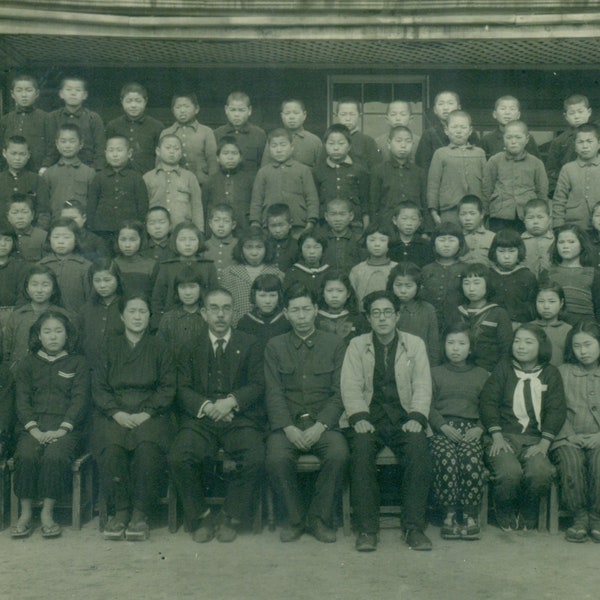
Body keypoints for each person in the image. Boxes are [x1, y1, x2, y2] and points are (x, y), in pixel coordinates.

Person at [169, 288, 265, 543]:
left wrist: (231, 402)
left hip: (238, 418)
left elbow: (257, 383)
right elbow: (182, 387)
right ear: (204, 312)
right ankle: (201, 516)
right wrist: (208, 406)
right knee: (179, 456)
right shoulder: (189, 346)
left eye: (226, 308)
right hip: (202, 419)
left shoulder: (250, 343)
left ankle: (231, 516)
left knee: (256, 456)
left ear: (233, 312)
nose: (220, 315)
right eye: (214, 308)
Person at [341, 290, 432, 552]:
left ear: (397, 316)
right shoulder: (357, 345)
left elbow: (423, 384)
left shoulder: (414, 344)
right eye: (376, 314)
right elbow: (350, 385)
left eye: (388, 312)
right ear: (368, 318)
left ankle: (413, 528)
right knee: (360, 450)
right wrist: (358, 417)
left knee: (418, 448)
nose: (382, 319)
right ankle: (367, 529)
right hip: (369, 417)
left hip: (404, 416)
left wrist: (416, 416)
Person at [265, 283, 348, 543]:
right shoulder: (275, 346)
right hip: (287, 424)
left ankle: (319, 519)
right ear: (286, 314)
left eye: (306, 309)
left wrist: (321, 425)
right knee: (276, 458)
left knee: (339, 453)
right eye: (295, 311)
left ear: (316, 311)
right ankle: (295, 519)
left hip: (323, 424)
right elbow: (273, 392)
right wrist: (287, 428)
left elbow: (339, 393)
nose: (301, 316)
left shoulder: (335, 344)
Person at [91, 295, 176, 542]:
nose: (137, 317)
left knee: (148, 449)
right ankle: (121, 512)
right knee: (111, 447)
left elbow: (167, 387)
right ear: (122, 316)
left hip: (150, 413)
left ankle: (140, 513)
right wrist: (116, 412)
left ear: (150, 316)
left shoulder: (161, 347)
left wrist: (146, 412)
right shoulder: (108, 346)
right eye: (132, 311)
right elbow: (99, 386)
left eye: (143, 312)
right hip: (114, 412)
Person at [480, 324, 566, 531]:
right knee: (509, 472)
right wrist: (497, 436)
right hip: (504, 436)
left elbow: (556, 409)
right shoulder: (504, 369)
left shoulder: (551, 373)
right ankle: (505, 509)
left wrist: (544, 444)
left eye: (528, 342)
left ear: (541, 346)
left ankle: (528, 510)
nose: (521, 346)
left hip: (535, 440)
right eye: (517, 341)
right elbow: (488, 402)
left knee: (540, 472)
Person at [11, 311, 87, 539]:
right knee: (25, 456)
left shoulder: (78, 362)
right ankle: (25, 515)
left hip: (65, 429)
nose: (53, 337)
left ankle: (47, 513)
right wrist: (33, 430)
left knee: (54, 457)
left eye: (58, 331)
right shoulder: (28, 363)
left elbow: (79, 400)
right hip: (32, 428)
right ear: (38, 335)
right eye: (47, 331)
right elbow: (22, 400)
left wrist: (62, 429)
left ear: (67, 335)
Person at [429, 322, 489, 540]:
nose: (455, 348)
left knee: (470, 458)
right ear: (444, 346)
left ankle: (470, 515)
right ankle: (450, 514)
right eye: (451, 343)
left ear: (470, 348)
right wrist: (442, 426)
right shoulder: (434, 373)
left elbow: (489, 407)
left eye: (462, 343)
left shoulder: (482, 375)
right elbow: (427, 404)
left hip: (471, 429)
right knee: (446, 457)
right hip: (442, 428)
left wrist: (480, 428)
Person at [552, 321, 600, 542]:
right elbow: (553, 408)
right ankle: (579, 518)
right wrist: (569, 434)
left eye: (588, 345)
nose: (583, 351)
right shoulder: (563, 373)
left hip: (598, 439)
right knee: (571, 461)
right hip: (568, 438)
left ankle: (597, 517)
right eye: (578, 346)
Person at [249, 128, 319, 237]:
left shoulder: (303, 170)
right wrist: (255, 222)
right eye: (274, 146)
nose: (279, 150)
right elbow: (256, 200)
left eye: (283, 145)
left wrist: (311, 221)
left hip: (298, 224)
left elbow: (311, 197)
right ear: (269, 150)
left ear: (291, 147)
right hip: (270, 226)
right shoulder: (263, 172)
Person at [483, 120, 549, 233]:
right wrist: (486, 214)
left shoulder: (536, 163)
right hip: (500, 215)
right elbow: (487, 189)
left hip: (527, 216)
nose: (513, 141)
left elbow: (542, 191)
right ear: (504, 138)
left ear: (527, 139)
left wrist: (541, 214)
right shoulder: (495, 161)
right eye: (509, 137)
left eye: (518, 137)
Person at [3, 265, 72, 369]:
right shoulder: (17, 315)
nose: (39, 290)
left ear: (54, 289)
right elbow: (7, 349)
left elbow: (70, 347)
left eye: (45, 285)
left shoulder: (63, 315)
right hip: (19, 373)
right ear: (27, 289)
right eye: (34, 285)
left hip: (52, 373)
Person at [151, 222, 217, 328]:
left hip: (202, 322)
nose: (187, 244)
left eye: (192, 239)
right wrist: (160, 324)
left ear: (199, 241)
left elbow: (214, 295)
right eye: (182, 239)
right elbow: (157, 299)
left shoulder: (208, 266)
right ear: (174, 242)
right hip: (172, 324)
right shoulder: (167, 267)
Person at [427, 110, 486, 226]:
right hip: (449, 209)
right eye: (454, 127)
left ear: (470, 131)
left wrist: (485, 210)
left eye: (463, 127)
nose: (458, 131)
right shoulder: (440, 153)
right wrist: (433, 212)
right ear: (446, 130)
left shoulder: (479, 153)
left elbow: (486, 184)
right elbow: (433, 185)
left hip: (475, 211)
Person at [87, 136, 149, 242]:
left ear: (129, 153)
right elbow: (92, 204)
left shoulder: (136, 177)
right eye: (111, 150)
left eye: (119, 150)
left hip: (128, 231)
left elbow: (142, 206)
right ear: (105, 153)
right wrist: (92, 227)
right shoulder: (99, 177)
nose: (115, 155)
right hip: (102, 230)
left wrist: (139, 227)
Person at [221, 226, 283, 325]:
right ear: (241, 249)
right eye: (249, 247)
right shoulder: (229, 273)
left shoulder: (277, 274)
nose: (254, 253)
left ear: (266, 249)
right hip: (237, 327)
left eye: (259, 247)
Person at [457, 263, 513, 372]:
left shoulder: (498, 313)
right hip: (460, 371)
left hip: (490, 371)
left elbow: (506, 349)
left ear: (487, 284)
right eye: (466, 283)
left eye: (477, 283)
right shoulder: (457, 312)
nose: (471, 288)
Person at [312, 123, 370, 229]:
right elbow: (314, 201)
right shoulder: (317, 171)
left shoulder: (359, 170)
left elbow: (365, 201)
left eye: (341, 143)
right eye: (331, 143)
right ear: (325, 145)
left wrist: (366, 225)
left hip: (354, 224)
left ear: (349, 146)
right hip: (325, 225)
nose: (336, 148)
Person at [369, 125, 428, 228]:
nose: (403, 145)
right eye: (398, 141)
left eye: (408, 141)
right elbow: (374, 204)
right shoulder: (378, 171)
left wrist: (426, 230)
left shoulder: (419, 172)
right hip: (386, 225)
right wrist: (375, 228)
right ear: (389, 144)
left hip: (413, 227)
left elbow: (424, 203)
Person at [43, 75, 105, 171]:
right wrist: (46, 166)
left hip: (88, 169)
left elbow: (99, 148)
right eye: (69, 89)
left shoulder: (93, 118)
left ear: (85, 95)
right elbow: (51, 147)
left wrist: (97, 170)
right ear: (61, 94)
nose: (73, 93)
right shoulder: (53, 117)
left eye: (78, 90)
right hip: (59, 168)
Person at [143, 134, 204, 231]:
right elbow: (143, 207)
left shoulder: (189, 177)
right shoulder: (148, 177)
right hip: (156, 231)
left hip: (183, 232)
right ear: (158, 151)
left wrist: (199, 231)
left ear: (181, 153)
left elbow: (196, 206)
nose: (172, 152)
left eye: (176, 149)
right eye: (168, 148)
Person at [541, 224, 600, 324]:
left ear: (582, 245)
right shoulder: (548, 273)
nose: (565, 246)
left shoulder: (593, 274)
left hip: (586, 328)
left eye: (571, 242)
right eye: (561, 242)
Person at [387, 262, 441, 367]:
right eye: (398, 285)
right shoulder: (386, 307)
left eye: (408, 286)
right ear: (391, 285)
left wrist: (433, 370)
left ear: (419, 287)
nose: (403, 290)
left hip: (420, 365)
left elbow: (434, 346)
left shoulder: (427, 309)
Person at [105, 82, 164, 175]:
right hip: (119, 177)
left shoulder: (157, 126)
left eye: (138, 101)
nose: (133, 105)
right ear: (121, 101)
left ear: (146, 101)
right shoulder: (113, 126)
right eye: (129, 101)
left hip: (147, 177)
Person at [160, 92, 217, 186]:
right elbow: (160, 162)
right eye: (178, 107)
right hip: (174, 184)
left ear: (196, 109)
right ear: (173, 110)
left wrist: (212, 184)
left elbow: (213, 161)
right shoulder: (166, 133)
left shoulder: (206, 132)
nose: (182, 110)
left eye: (186, 106)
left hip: (201, 183)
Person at [415, 90, 478, 174]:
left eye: (450, 103)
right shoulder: (429, 134)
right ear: (435, 110)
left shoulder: (470, 133)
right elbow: (423, 165)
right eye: (441, 104)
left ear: (459, 107)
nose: (445, 108)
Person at [78, 258, 124, 372]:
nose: (102, 285)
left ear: (117, 279)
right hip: (91, 369)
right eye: (97, 280)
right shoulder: (86, 309)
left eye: (107, 280)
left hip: (121, 369)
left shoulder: (127, 306)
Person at [552, 123, 600, 231]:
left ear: (599, 144)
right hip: (574, 227)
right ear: (575, 145)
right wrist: (558, 226)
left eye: (589, 141)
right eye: (580, 142)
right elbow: (559, 199)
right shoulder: (568, 169)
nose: (585, 146)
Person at [37, 217, 91, 313]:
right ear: (49, 238)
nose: (60, 241)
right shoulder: (41, 265)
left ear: (76, 239)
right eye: (56, 237)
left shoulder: (85, 267)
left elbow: (90, 300)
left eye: (66, 237)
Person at [420, 222, 466, 334]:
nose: (446, 244)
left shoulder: (466, 269)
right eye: (441, 240)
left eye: (451, 240)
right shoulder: (426, 270)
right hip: (429, 324)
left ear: (460, 244)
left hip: (459, 324)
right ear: (434, 244)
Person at [42, 123, 95, 218]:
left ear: (81, 144)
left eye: (72, 141)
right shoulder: (49, 173)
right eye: (63, 141)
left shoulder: (89, 173)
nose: (67, 145)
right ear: (57, 144)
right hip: (56, 223)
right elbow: (44, 205)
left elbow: (92, 203)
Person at [0, 74, 50, 173]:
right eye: (19, 90)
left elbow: (52, 146)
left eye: (28, 90)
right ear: (12, 94)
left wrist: (45, 166)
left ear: (37, 93)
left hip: (37, 172)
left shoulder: (46, 118)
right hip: (10, 173)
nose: (24, 95)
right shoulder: (5, 120)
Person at [488, 229, 538, 326]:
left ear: (519, 252)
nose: (506, 256)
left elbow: (532, 306)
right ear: (494, 252)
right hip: (491, 326)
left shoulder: (527, 276)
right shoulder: (489, 275)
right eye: (501, 251)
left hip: (519, 326)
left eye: (512, 251)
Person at [204, 136, 254, 230]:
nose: (230, 157)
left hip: (242, 228)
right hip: (216, 230)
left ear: (240, 158)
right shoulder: (210, 181)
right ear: (218, 158)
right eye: (225, 153)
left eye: (234, 153)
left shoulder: (249, 180)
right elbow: (204, 209)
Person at [156, 267, 207, 360]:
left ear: (200, 288)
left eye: (192, 287)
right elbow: (160, 352)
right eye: (182, 287)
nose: (187, 292)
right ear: (176, 290)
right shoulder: (168, 319)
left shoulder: (208, 317)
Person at [546, 94, 593, 194]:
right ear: (565, 116)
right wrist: (555, 191)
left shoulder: (598, 136)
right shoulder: (559, 141)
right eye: (572, 113)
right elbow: (552, 169)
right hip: (569, 189)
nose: (577, 116)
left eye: (580, 112)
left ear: (589, 112)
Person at [0, 135, 50, 228]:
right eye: (13, 153)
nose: (17, 158)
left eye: (22, 154)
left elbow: (44, 213)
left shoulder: (37, 180)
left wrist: (35, 237)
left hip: (30, 237)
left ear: (28, 155)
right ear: (4, 153)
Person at [213, 91, 267, 174]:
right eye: (233, 110)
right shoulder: (217, 134)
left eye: (241, 110)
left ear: (249, 110)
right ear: (226, 110)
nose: (237, 114)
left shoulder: (259, 134)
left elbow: (263, 165)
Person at [349, 221, 397, 312]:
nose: (377, 244)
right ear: (365, 241)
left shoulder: (396, 268)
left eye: (382, 240)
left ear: (390, 242)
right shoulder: (357, 270)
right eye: (372, 240)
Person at [236, 273, 291, 350]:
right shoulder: (245, 322)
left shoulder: (286, 321)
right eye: (262, 295)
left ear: (279, 296)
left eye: (272, 295)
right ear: (254, 296)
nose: (267, 301)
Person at [262, 99, 323, 168]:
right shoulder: (274, 139)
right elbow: (265, 168)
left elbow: (321, 172)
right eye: (287, 113)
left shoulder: (314, 141)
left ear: (304, 115)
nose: (291, 117)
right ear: (282, 116)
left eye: (296, 113)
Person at [480, 95, 540, 160]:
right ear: (495, 114)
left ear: (518, 115)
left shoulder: (527, 138)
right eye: (503, 109)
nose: (507, 112)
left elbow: (536, 162)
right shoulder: (487, 139)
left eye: (512, 109)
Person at [315, 270, 368, 344]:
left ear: (348, 294)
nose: (334, 295)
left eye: (340, 291)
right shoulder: (315, 318)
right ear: (323, 293)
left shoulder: (358, 319)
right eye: (329, 290)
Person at [333, 97, 381, 173]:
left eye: (352, 114)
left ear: (359, 115)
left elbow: (376, 170)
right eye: (343, 114)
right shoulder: (330, 141)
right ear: (336, 115)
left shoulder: (368, 141)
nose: (348, 118)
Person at [530, 282, 572, 367]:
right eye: (541, 301)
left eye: (552, 301)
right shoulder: (528, 328)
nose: (546, 306)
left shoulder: (569, 330)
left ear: (561, 303)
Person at [113, 219, 158, 298]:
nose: (127, 245)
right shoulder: (113, 264)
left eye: (133, 240)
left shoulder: (151, 265)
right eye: (123, 239)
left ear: (141, 240)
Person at [319, 197, 363, 274]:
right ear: (326, 216)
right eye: (333, 214)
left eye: (342, 214)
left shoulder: (359, 239)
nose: (337, 219)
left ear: (351, 216)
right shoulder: (321, 239)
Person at [388, 201, 434, 267]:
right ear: (395, 220)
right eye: (404, 218)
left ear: (419, 221)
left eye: (413, 219)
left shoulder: (425, 246)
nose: (409, 223)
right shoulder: (390, 245)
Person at [284, 230, 330, 295]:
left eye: (316, 247)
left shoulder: (329, 272)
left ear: (323, 249)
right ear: (301, 249)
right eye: (307, 247)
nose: (312, 251)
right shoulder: (292, 272)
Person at [202, 203, 238, 283]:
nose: (221, 225)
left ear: (233, 225)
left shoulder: (238, 245)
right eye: (216, 220)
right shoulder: (204, 246)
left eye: (226, 221)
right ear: (210, 224)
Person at [0, 227, 28, 331]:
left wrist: (15, 316)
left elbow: (23, 294)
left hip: (13, 313)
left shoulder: (21, 266)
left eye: (7, 240)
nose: (2, 244)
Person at [6, 193, 46, 262]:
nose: (20, 217)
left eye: (24, 212)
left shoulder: (43, 237)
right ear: (8, 216)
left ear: (32, 215)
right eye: (15, 213)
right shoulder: (4, 237)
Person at [521, 198, 554, 278]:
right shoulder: (519, 241)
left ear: (549, 220)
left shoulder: (555, 240)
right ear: (524, 220)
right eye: (530, 218)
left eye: (540, 217)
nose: (535, 222)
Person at [458, 195, 495, 266]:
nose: (467, 218)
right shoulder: (456, 237)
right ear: (458, 216)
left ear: (481, 214)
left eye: (472, 213)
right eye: (463, 214)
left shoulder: (492, 237)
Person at [264, 203, 298, 273]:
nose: (277, 230)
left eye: (281, 225)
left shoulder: (296, 245)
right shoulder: (264, 244)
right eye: (273, 226)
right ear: (267, 226)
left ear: (290, 224)